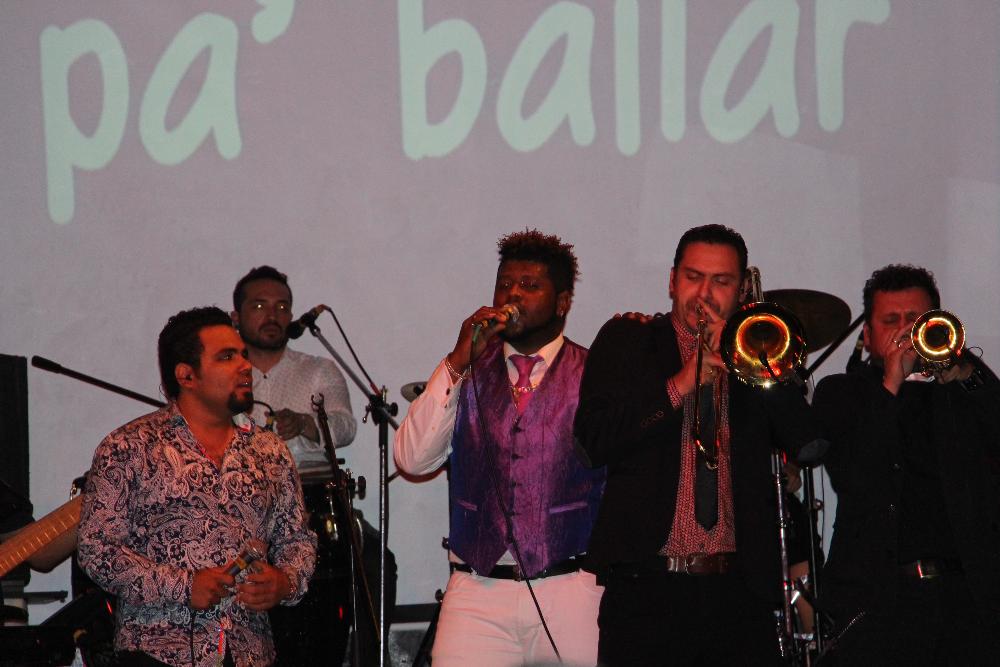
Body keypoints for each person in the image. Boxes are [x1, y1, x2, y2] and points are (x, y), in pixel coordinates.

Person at [574, 224, 820, 666]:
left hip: (738, 594)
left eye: (721, 281)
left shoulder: (755, 356)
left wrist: (760, 365)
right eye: (693, 277)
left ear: (741, 291)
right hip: (646, 591)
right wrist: (680, 385)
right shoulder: (628, 341)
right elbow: (593, 441)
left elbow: (809, 445)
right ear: (672, 280)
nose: (704, 293)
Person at [394, 229, 606, 667]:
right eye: (505, 283)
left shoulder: (595, 372)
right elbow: (411, 460)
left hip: (569, 587)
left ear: (562, 302)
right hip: (478, 590)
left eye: (529, 285)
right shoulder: (467, 370)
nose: (512, 294)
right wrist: (457, 362)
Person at [77, 307, 316, 667]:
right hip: (156, 654)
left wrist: (285, 582)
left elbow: (297, 540)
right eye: (227, 357)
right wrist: (184, 586)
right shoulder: (129, 447)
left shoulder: (270, 450)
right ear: (186, 375)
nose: (245, 366)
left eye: (243, 355)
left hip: (250, 652)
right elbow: (96, 550)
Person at [812, 264, 1000, 665]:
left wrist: (967, 371)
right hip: (880, 606)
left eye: (914, 320)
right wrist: (891, 384)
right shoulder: (841, 393)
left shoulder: (960, 389)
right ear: (867, 335)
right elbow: (855, 474)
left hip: (964, 603)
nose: (904, 332)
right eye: (890, 321)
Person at [231, 266, 395, 666]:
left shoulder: (317, 369)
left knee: (377, 562)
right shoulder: (225, 372)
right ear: (236, 317)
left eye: (282, 306)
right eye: (259, 306)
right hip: (241, 504)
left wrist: (306, 424)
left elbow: (345, 426)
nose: (273, 315)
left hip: (312, 498)